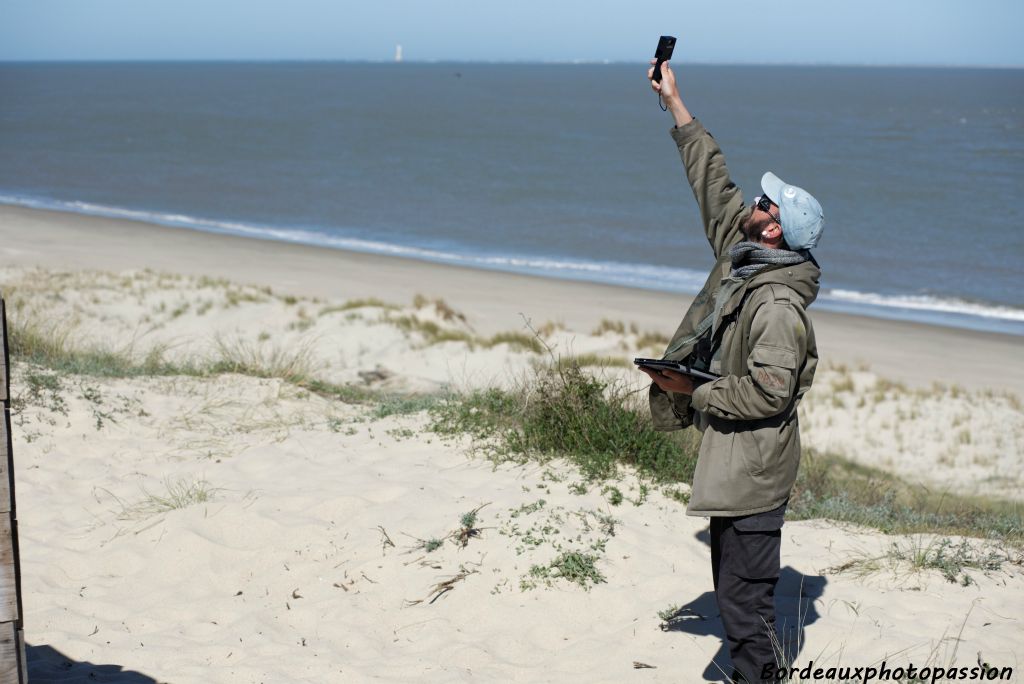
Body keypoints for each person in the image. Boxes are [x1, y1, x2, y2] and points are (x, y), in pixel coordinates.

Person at [639, 58, 824, 684]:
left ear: (774, 229)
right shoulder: (743, 258)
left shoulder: (774, 303)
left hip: (755, 467)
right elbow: (712, 182)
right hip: (735, 461)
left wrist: (694, 388)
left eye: (763, 202)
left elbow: (770, 392)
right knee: (735, 593)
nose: (752, 200)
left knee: (744, 605)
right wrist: (675, 101)